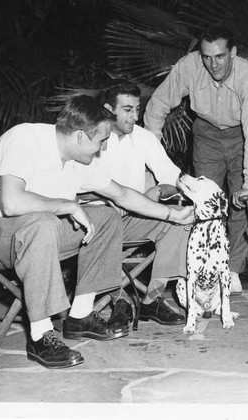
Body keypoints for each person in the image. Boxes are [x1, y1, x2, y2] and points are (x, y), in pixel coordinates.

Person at [0, 95, 193, 369]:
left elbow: (122, 195)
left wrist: (173, 214)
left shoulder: (77, 160)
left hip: (31, 234)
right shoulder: (25, 138)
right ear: (79, 137)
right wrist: (68, 206)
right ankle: (40, 335)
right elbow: (11, 202)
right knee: (44, 222)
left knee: (106, 216)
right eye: (100, 142)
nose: (101, 151)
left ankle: (81, 315)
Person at [144, 25, 248, 293]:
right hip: (206, 134)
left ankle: (233, 269)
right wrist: (150, 152)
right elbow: (157, 104)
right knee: (206, 205)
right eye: (207, 57)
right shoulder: (189, 66)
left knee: (239, 201)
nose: (213, 64)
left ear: (233, 52)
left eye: (220, 56)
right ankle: (207, 268)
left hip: (241, 136)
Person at [91, 82, 190, 326]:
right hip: (95, 224)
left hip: (134, 217)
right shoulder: (89, 137)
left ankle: (152, 299)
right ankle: (120, 300)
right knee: (107, 218)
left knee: (181, 220)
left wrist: (157, 190)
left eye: (137, 109)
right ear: (107, 109)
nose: (135, 116)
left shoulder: (143, 138)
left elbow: (174, 180)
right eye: (127, 109)